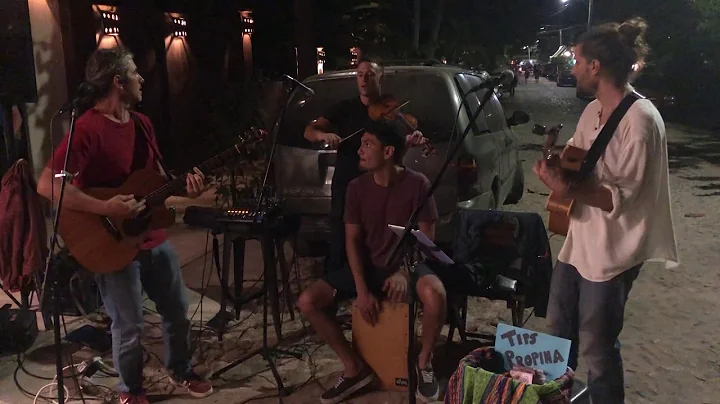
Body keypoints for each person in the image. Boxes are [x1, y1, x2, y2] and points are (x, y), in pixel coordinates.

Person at [36, 47, 213, 404]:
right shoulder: (86, 129)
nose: (142, 80)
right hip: (110, 242)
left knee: (177, 312)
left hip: (150, 236)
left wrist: (190, 190)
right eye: (136, 74)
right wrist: (105, 205)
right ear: (118, 82)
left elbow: (156, 182)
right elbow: (47, 184)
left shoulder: (143, 125)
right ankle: (130, 391)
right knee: (128, 325)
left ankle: (179, 369)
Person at [533, 17, 678, 403]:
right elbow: (581, 165)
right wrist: (555, 164)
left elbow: (617, 197)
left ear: (596, 66)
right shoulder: (592, 111)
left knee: (597, 350)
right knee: (556, 333)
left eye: (578, 61)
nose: (574, 69)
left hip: (613, 253)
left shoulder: (641, 121)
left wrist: (564, 185)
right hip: (580, 243)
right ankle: (552, 397)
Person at [297, 119, 446, 404]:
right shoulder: (356, 187)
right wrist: (362, 290)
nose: (360, 151)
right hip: (368, 267)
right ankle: (354, 368)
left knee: (436, 294)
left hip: (408, 264)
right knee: (308, 301)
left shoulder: (418, 184)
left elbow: (428, 242)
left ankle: (424, 363)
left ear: (388, 151)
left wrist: (404, 272)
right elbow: (351, 242)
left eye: (368, 145)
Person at [303, 57, 427, 273]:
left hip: (377, 186)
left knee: (376, 237)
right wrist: (324, 134)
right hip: (348, 181)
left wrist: (409, 142)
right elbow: (309, 131)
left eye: (370, 75)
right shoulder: (344, 108)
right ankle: (338, 282)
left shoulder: (391, 113)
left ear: (381, 78)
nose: (363, 79)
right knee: (341, 236)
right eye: (360, 75)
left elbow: (395, 154)